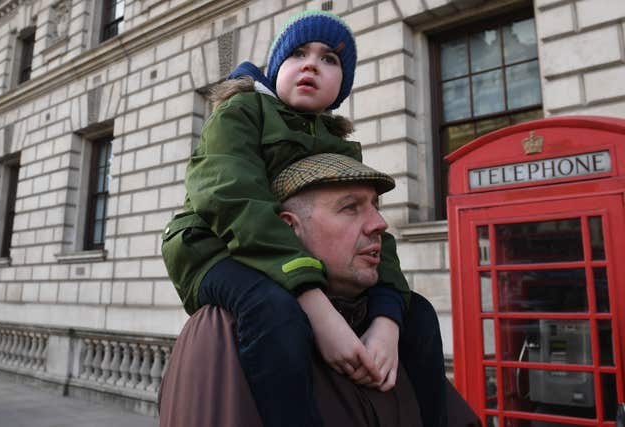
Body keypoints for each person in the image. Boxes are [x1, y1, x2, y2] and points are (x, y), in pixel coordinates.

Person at [161, 10, 445, 427]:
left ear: (340, 87)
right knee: (271, 308)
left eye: (330, 59)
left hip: (284, 260)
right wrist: (316, 306)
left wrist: (387, 318)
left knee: (418, 313)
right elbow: (233, 198)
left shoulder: (340, 147)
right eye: (297, 53)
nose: (312, 63)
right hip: (211, 249)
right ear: (276, 69)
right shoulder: (241, 112)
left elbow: (370, 229)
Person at [159, 154, 457, 427]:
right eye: (350, 207)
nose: (379, 224)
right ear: (289, 228)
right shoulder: (223, 330)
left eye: (375, 207)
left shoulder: (403, 325)